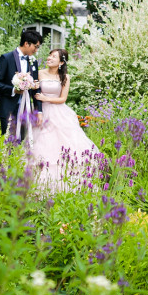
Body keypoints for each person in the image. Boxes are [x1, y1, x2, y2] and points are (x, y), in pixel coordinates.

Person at [28, 48, 101, 192]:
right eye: (49, 55)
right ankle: (37, 183)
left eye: (54, 56)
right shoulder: (39, 73)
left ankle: (65, 184)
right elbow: (32, 91)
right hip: (40, 111)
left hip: (58, 112)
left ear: (61, 62)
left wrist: (45, 98)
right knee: (41, 143)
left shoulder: (65, 77)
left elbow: (63, 98)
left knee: (63, 144)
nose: (49, 58)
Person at [0, 30, 43, 138]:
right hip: (8, 106)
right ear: (26, 43)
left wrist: (39, 110)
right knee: (8, 141)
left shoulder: (33, 62)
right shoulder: (6, 58)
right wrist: (13, 90)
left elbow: (35, 86)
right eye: (36, 46)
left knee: (22, 140)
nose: (36, 50)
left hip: (25, 107)